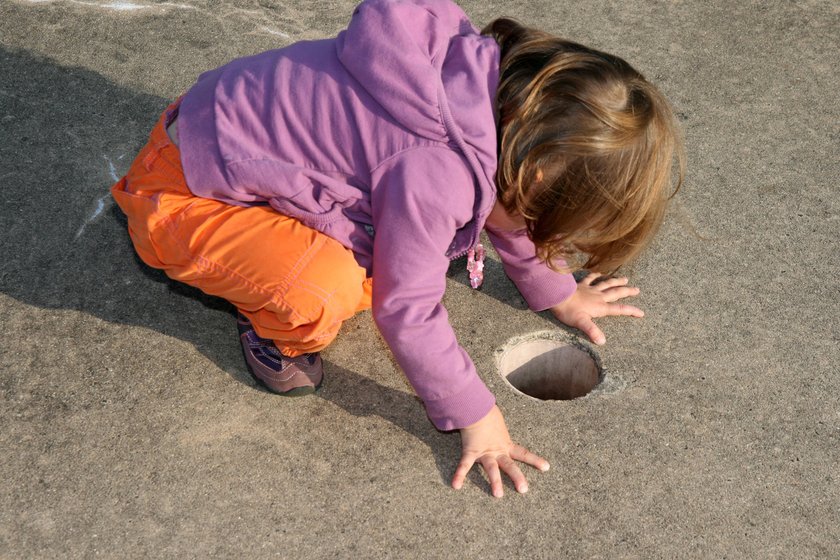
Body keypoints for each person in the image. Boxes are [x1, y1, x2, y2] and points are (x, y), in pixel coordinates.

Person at [111, 0, 684, 498]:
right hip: (180, 192)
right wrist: (475, 413)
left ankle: (284, 231)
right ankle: (270, 332)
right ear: (530, 175)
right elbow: (406, 308)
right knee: (327, 293)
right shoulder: (437, 171)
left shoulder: (497, 110)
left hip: (225, 128)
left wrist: (557, 292)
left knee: (398, 252)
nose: (544, 240)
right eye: (548, 227)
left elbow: (508, 209)